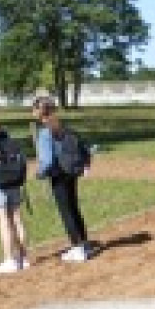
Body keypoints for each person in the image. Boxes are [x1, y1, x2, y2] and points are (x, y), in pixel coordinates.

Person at [32, 97, 92, 262]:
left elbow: (48, 161)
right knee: (74, 207)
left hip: (58, 175)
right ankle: (85, 243)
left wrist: (40, 173)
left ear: (40, 112)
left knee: (66, 212)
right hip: (71, 172)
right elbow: (82, 146)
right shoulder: (64, 127)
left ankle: (77, 248)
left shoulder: (45, 133)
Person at [0, 109, 29, 273]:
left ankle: (9, 259)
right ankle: (24, 257)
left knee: (3, 219)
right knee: (17, 218)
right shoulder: (4, 132)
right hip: (14, 179)